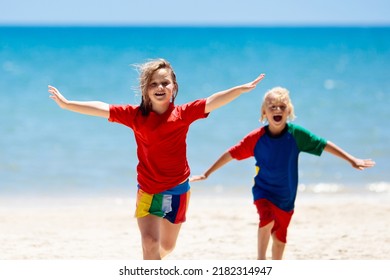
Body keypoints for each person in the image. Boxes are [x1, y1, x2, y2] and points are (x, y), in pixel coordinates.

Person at [48, 58, 265, 260]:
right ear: (145, 90)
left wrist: (240, 89)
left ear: (174, 87)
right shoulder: (135, 116)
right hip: (148, 190)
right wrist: (67, 104)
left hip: (177, 190)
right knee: (150, 242)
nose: (159, 88)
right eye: (153, 84)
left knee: (166, 247)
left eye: (165, 83)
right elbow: (102, 108)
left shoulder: (183, 114)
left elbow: (213, 101)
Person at [190, 86, 375, 260]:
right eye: (272, 107)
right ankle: (260, 260)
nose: (277, 110)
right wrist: (207, 173)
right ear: (264, 113)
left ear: (289, 111)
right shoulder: (256, 138)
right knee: (266, 219)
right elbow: (231, 153)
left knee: (280, 240)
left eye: (282, 106)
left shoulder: (296, 135)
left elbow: (323, 144)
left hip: (286, 197)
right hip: (263, 191)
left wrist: (351, 159)